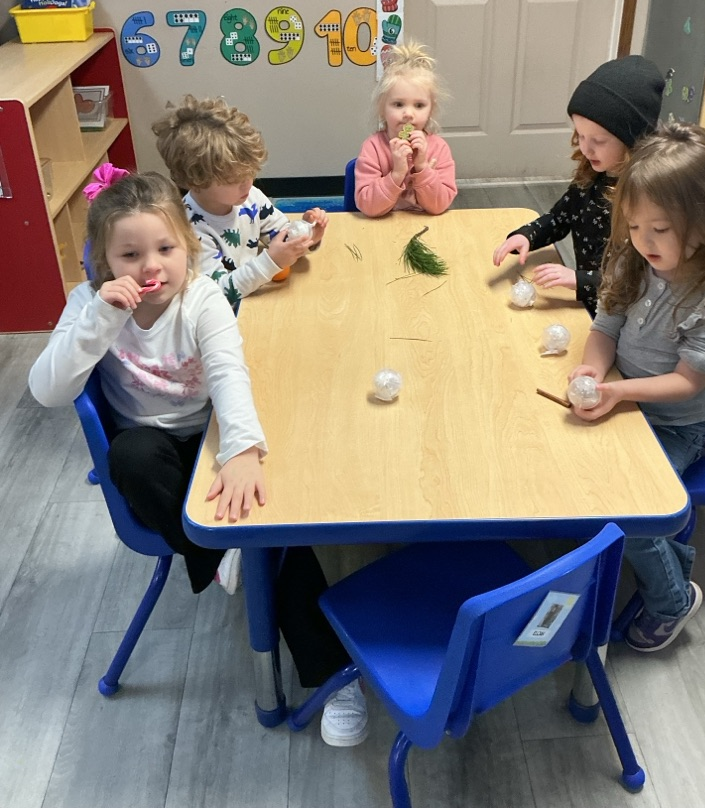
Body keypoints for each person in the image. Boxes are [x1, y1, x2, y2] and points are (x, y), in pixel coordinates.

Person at [28, 170, 367, 746]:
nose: (150, 266)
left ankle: (332, 676)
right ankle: (218, 555)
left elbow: (230, 374)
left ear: (188, 247)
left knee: (275, 530)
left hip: (210, 434)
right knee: (130, 456)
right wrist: (99, 318)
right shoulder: (89, 305)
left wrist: (240, 450)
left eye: (165, 248)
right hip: (153, 458)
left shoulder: (203, 295)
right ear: (104, 262)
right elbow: (47, 390)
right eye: (129, 254)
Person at [568, 124, 705, 652]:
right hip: (626, 399)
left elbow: (689, 381)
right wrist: (593, 372)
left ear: (704, 224)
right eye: (634, 225)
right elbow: (605, 328)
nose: (643, 240)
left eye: (660, 229)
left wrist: (619, 395)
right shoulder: (632, 256)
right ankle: (678, 547)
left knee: (627, 507)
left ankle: (672, 599)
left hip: (675, 418)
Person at [492, 55, 665, 314]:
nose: (586, 148)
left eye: (599, 140)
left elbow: (638, 280)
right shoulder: (593, 175)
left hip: (624, 319)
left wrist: (579, 279)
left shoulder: (646, 200)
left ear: (633, 141)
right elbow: (561, 218)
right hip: (590, 307)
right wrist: (526, 235)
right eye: (580, 135)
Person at [153, 95, 328, 307]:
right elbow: (217, 294)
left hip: (254, 298)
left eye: (250, 173)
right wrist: (272, 261)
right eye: (234, 180)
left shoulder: (249, 196)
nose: (248, 184)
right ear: (196, 181)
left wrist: (307, 236)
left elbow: (281, 236)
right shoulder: (189, 229)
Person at [355, 41, 457, 216]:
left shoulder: (439, 149)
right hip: (382, 227)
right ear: (382, 109)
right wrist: (397, 173)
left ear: (430, 110)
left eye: (419, 105)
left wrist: (422, 167)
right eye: (398, 104)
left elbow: (440, 206)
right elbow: (367, 207)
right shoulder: (373, 148)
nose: (408, 113)